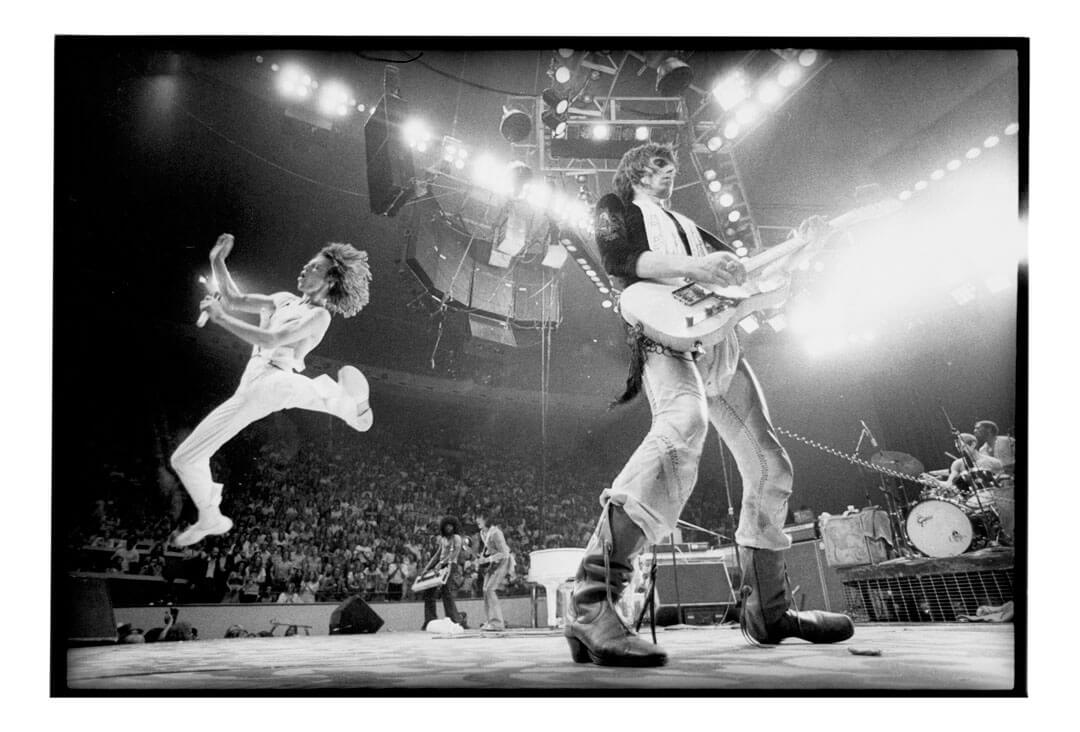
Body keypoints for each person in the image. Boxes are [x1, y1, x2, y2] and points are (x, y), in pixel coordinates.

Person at [565, 143, 853, 667]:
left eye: (672, 170)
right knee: (681, 426)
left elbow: (745, 273)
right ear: (634, 171)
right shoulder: (615, 207)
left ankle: (769, 612)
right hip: (665, 341)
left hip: (720, 345)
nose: (668, 177)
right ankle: (591, 601)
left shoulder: (688, 225)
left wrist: (801, 246)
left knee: (769, 463)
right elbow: (620, 260)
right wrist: (702, 265)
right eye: (658, 167)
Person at [170, 233, 373, 547]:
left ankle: (356, 411)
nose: (304, 270)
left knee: (289, 387)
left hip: (276, 377)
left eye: (314, 269)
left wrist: (221, 317)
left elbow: (271, 340)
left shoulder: (318, 316)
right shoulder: (282, 299)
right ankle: (210, 516)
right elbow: (236, 299)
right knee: (183, 459)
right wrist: (217, 261)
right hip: (252, 385)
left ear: (329, 281)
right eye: (306, 265)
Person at [420, 516, 467, 630]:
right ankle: (430, 620)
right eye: (446, 526)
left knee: (447, 592)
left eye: (450, 525)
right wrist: (426, 568)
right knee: (429, 592)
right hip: (439, 566)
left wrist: (441, 564)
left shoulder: (457, 538)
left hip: (451, 565)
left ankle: (455, 619)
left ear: (454, 526)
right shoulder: (443, 539)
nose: (448, 528)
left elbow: (454, 554)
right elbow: (437, 555)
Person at [475, 507, 512, 631]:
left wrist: (487, 560)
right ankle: (491, 621)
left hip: (503, 561)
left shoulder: (496, 533)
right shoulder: (482, 533)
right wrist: (481, 558)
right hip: (494, 562)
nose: (476, 520)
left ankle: (497, 623)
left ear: (487, 519)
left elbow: (504, 553)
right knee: (485, 589)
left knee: (490, 589)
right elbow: (488, 550)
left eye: (479, 518)